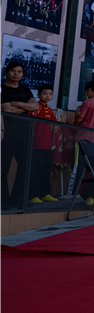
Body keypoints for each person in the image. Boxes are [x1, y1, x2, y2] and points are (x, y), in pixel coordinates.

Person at [1, 61, 39, 209]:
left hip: (24, 133)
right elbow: (4, 108)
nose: (16, 74)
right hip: (6, 134)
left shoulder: (26, 89)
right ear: (6, 73)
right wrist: (25, 107)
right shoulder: (1, 89)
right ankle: (2, 201)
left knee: (25, 167)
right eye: (13, 71)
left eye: (19, 71)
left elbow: (35, 106)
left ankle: (17, 200)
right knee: (2, 168)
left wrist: (15, 103)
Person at [28, 84, 59, 204]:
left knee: (45, 170)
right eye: (45, 94)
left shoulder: (49, 109)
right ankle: (33, 195)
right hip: (36, 145)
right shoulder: (36, 107)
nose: (48, 96)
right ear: (38, 95)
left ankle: (45, 193)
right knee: (34, 170)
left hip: (47, 145)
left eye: (50, 94)